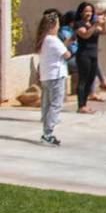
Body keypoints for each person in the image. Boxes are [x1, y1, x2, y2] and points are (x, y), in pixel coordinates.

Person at [36, 11, 70, 145]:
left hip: (46, 76)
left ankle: (46, 129)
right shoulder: (53, 40)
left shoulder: (43, 40)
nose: (58, 27)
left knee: (47, 104)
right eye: (58, 24)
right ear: (53, 25)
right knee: (56, 104)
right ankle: (48, 133)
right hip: (56, 76)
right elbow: (67, 54)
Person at [73, 2, 105, 113]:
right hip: (83, 55)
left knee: (90, 80)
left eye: (90, 11)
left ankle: (85, 104)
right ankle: (80, 105)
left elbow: (103, 32)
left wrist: (103, 22)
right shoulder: (78, 24)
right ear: (81, 12)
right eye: (86, 11)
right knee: (83, 80)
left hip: (94, 54)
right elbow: (85, 35)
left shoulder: (92, 23)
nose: (89, 13)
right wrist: (95, 25)